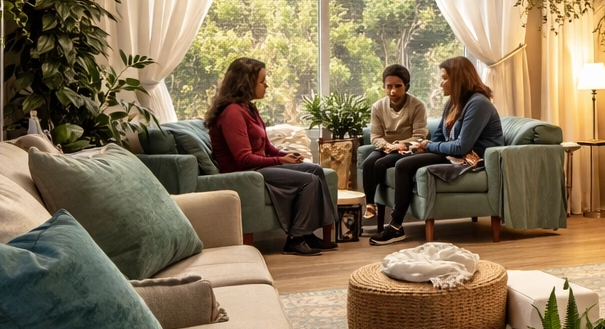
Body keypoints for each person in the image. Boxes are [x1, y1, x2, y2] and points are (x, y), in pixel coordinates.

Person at [205, 57, 337, 257]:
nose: (266, 85)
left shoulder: (249, 108)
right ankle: (295, 239)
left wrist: (285, 155)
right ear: (246, 82)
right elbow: (243, 159)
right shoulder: (232, 113)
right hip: (245, 173)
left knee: (315, 170)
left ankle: (308, 233)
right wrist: (280, 161)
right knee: (309, 181)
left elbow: (266, 147)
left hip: (258, 167)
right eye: (262, 80)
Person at [368, 56, 505, 247]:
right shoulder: (453, 103)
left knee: (404, 165)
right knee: (400, 159)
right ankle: (395, 224)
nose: (441, 83)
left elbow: (462, 146)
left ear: (458, 79)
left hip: (472, 159)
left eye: (445, 78)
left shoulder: (478, 104)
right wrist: (420, 146)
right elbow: (440, 135)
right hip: (454, 155)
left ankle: (396, 226)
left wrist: (428, 145)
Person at [360, 64, 429, 219]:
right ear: (383, 87)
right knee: (369, 163)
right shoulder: (378, 106)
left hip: (409, 148)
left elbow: (420, 135)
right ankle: (370, 204)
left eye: (398, 86)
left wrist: (401, 144)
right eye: (389, 86)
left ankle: (390, 206)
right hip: (387, 147)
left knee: (380, 164)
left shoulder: (418, 106)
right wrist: (387, 146)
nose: (393, 91)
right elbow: (375, 136)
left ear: (407, 86)